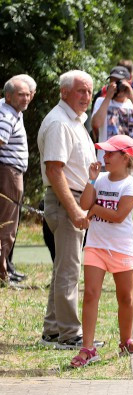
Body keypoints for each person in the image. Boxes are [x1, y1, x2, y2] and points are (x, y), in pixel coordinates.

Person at [69, 135, 133, 367]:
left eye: (111, 153)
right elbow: (83, 204)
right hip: (96, 247)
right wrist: (91, 182)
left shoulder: (129, 185)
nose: (105, 157)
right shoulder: (99, 179)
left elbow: (119, 215)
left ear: (126, 157)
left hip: (121, 249)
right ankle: (88, 348)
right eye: (105, 152)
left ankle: (126, 341)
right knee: (90, 294)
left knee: (126, 298)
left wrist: (94, 210)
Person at [37, 70, 97, 350]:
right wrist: (73, 209)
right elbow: (54, 170)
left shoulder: (73, 120)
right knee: (69, 271)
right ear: (64, 92)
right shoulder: (61, 123)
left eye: (89, 91)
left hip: (72, 199)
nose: (86, 96)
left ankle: (53, 330)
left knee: (64, 267)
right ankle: (70, 335)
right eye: (80, 91)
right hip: (65, 202)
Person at [0, 74, 35, 287]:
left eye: (28, 95)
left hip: (10, 173)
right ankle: (3, 274)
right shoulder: (7, 115)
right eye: (21, 95)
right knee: (7, 225)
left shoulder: (11, 110)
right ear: (8, 95)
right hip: (9, 174)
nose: (26, 98)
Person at [91, 65, 133, 163]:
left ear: (129, 83)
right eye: (113, 82)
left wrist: (132, 97)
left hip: (129, 162)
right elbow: (96, 124)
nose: (117, 86)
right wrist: (108, 97)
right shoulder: (101, 101)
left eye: (119, 83)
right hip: (106, 161)